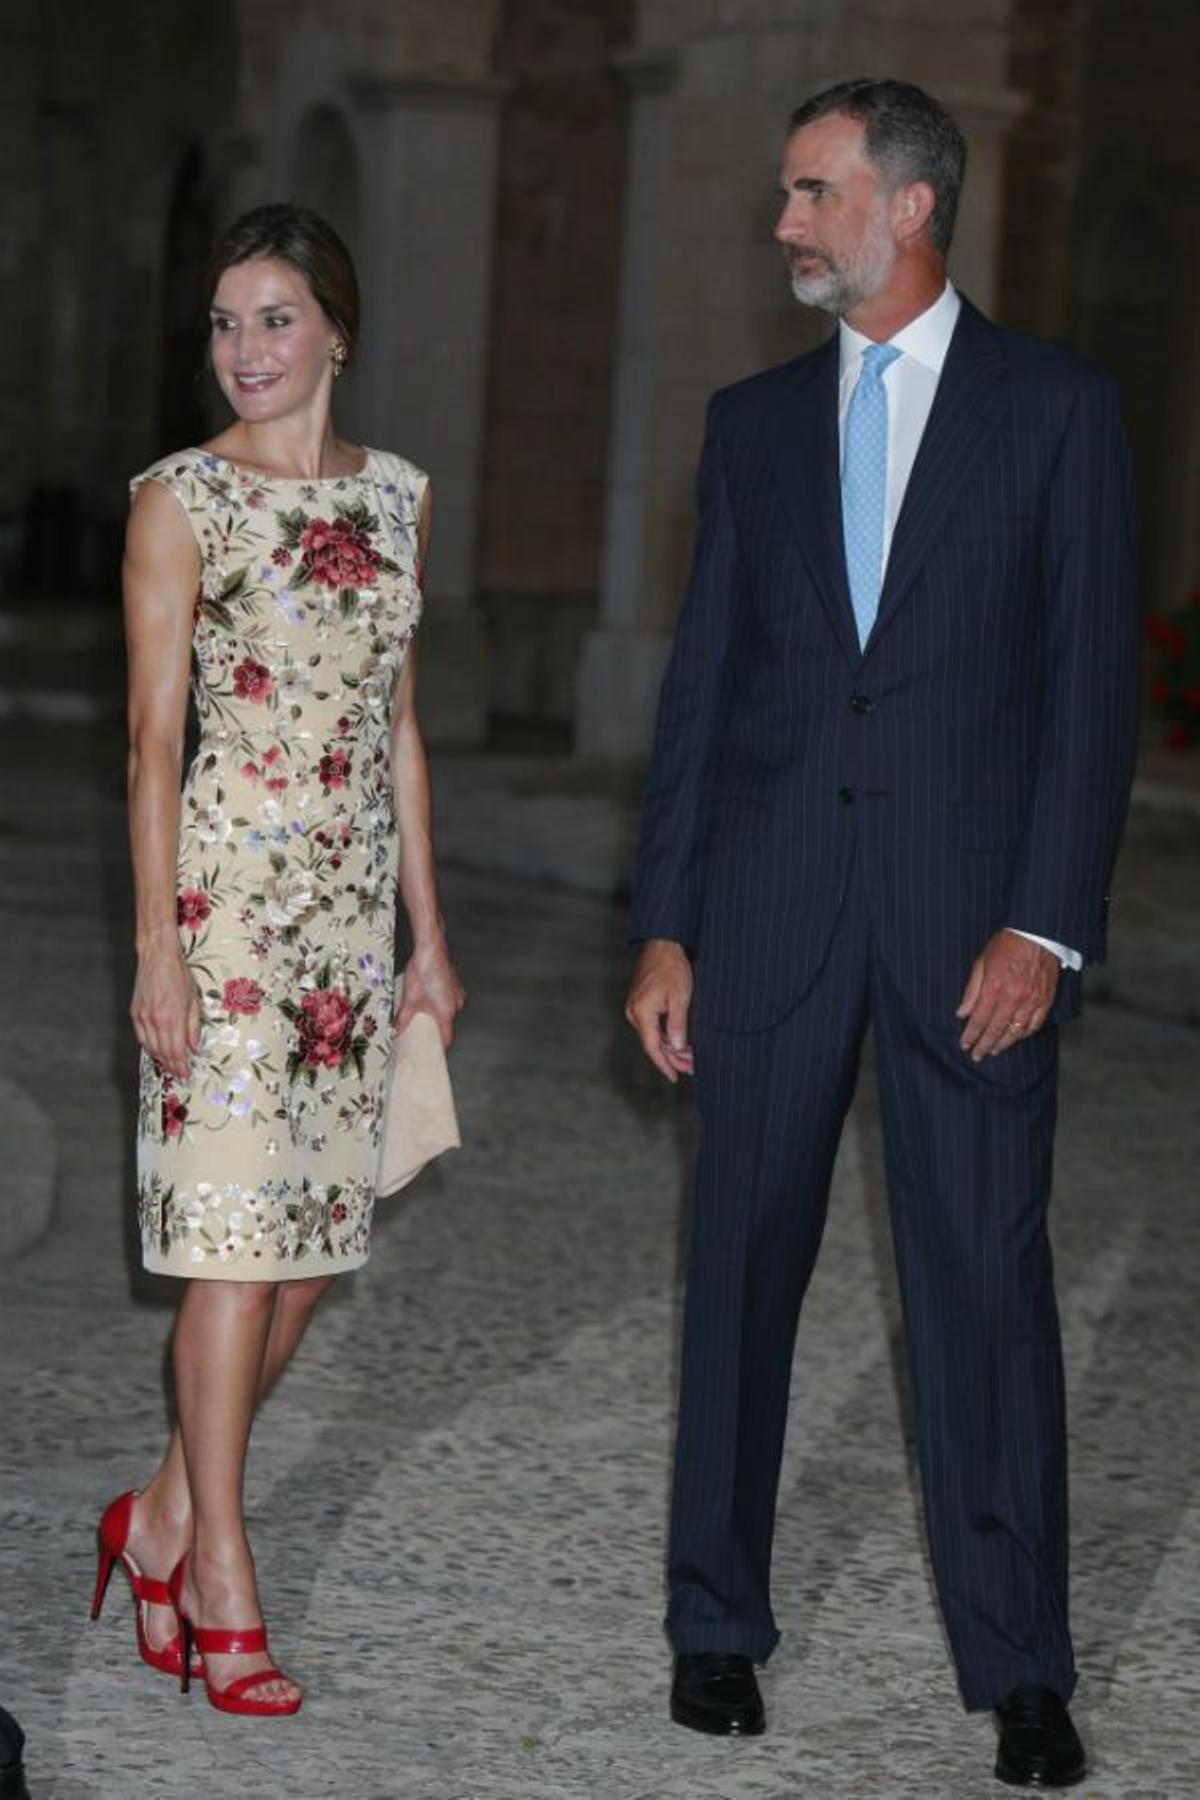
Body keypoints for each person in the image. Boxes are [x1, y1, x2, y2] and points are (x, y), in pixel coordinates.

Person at [625, 79, 1139, 1787]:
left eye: (813, 193)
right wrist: (669, 924)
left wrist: (1045, 930)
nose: (785, 224)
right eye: (786, 192)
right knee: (742, 1271)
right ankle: (717, 1623)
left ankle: (1022, 1667)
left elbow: (1089, 699)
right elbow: (702, 691)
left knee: (983, 1286)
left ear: (911, 207)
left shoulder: (1058, 411)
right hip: (767, 915)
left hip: (967, 931)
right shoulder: (750, 423)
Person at [92, 203, 464, 1717]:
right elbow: (150, 740)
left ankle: (161, 1513)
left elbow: (400, 727)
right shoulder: (179, 503)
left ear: (337, 332)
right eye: (225, 324)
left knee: (312, 1246)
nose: (244, 351)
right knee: (230, 1260)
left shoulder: (400, 502)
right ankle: (221, 1574)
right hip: (231, 927)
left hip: (348, 933)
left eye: (274, 320)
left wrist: (429, 940)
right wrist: (159, 951)